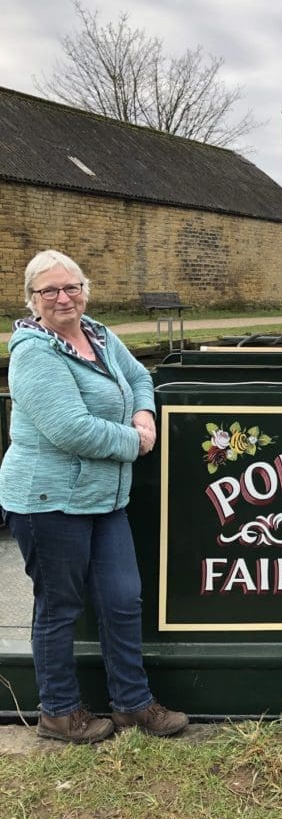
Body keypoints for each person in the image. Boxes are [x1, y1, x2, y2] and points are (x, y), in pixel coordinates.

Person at [0, 250, 188, 743]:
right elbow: (70, 429)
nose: (64, 298)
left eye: (72, 287)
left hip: (106, 499)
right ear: (33, 300)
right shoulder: (34, 352)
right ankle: (59, 712)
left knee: (123, 600)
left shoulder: (100, 334)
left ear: (85, 289)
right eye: (50, 291)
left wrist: (144, 414)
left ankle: (133, 703)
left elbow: (142, 377)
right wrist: (137, 442)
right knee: (59, 606)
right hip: (49, 500)